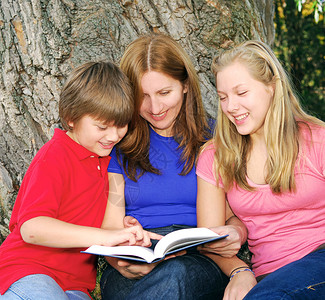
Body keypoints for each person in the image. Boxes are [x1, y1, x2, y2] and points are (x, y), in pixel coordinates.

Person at [100, 33, 247, 300]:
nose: (155, 107)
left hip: (200, 257)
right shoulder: (118, 143)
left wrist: (236, 232)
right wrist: (120, 262)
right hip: (136, 260)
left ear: (186, 85)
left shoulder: (216, 138)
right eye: (142, 96)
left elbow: (237, 212)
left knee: (177, 275)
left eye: (164, 92)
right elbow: (111, 225)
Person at [0, 61, 159, 299]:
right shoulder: (56, 155)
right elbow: (32, 228)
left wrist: (127, 235)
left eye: (122, 125)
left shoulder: (111, 162)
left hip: (75, 285)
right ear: (71, 118)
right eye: (102, 126)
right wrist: (106, 237)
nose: (114, 136)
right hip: (27, 271)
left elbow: (107, 225)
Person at [196, 40, 325, 299]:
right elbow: (207, 241)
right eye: (223, 97)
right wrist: (239, 271)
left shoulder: (317, 140)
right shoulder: (215, 156)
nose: (230, 106)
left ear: (272, 88)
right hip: (270, 278)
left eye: (241, 93)